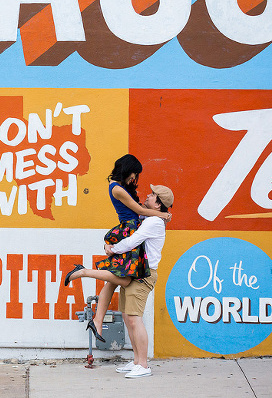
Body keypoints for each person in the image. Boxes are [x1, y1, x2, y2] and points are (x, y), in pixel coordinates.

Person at [63, 155, 170, 346]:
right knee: (126, 279)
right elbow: (140, 210)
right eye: (134, 174)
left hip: (130, 228)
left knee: (111, 282)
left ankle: (97, 320)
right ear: (128, 169)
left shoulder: (120, 187)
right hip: (128, 229)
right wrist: (162, 214)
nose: (134, 179)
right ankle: (83, 271)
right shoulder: (117, 188)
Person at [108, 184, 172, 378]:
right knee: (128, 317)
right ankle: (136, 360)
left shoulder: (153, 223)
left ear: (158, 204)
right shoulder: (151, 218)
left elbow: (133, 240)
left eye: (152, 195)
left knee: (135, 318)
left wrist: (112, 249)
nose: (148, 195)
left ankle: (143, 365)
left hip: (144, 275)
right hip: (135, 273)